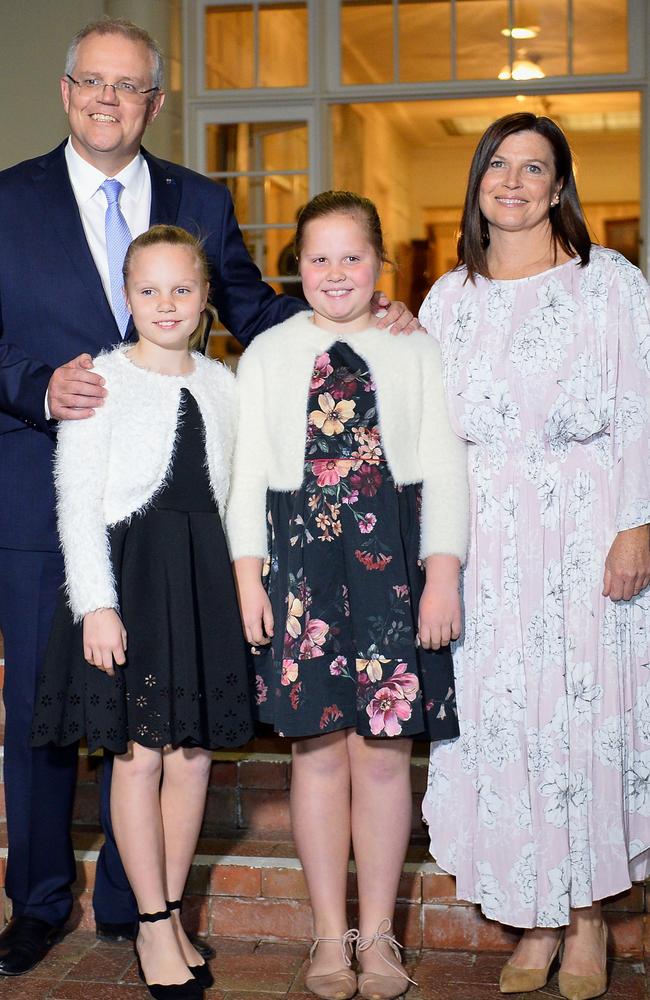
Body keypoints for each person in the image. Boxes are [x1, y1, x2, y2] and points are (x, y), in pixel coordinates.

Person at [0, 15, 416, 975]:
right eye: (91, 83)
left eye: (129, 86)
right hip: (42, 486)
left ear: (155, 101)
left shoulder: (200, 196)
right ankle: (38, 899)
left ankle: (137, 905)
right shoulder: (8, 200)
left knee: (158, 720)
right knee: (44, 713)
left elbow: (258, 312)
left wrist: (351, 315)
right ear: (66, 92)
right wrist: (33, 387)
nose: (109, 100)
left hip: (173, 526)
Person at [419, 112, 650, 1000]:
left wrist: (637, 524)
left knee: (582, 721)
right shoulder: (448, 298)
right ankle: (535, 921)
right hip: (487, 543)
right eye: (497, 167)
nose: (512, 182)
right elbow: (429, 430)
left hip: (587, 532)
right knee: (507, 726)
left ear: (560, 187)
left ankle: (588, 921)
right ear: (478, 183)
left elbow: (638, 405)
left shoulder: (608, 283)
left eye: (533, 168)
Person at [226, 191, 469, 1000]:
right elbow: (245, 476)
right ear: (296, 266)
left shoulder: (415, 348)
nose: (335, 272)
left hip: (390, 571)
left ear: (380, 265)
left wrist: (442, 574)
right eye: (318, 257)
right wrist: (248, 577)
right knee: (318, 756)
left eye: (352, 256)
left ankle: (381, 941)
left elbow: (445, 468)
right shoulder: (266, 353)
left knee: (387, 757)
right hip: (301, 573)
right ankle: (331, 937)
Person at [32, 223, 250, 998]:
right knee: (140, 755)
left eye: (181, 289)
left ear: (204, 300)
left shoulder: (227, 385)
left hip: (201, 583)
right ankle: (151, 925)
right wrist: (96, 604)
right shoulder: (103, 378)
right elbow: (74, 503)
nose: (166, 303)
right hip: (130, 580)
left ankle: (171, 910)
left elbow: (238, 497)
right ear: (127, 297)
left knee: (192, 758)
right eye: (149, 289)